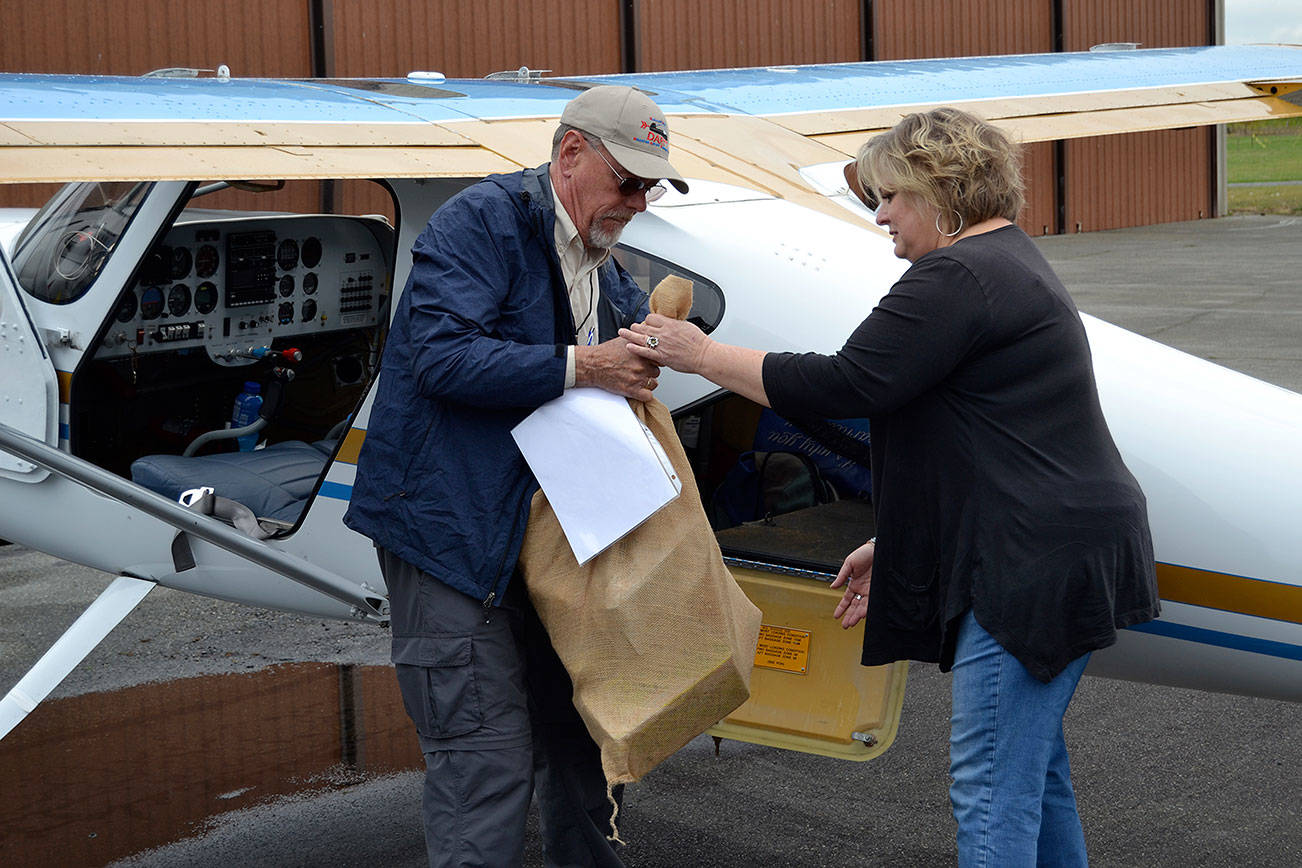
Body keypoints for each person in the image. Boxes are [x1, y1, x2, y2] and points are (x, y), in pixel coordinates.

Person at [621, 107, 1159, 867]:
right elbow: (980, 435)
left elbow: (847, 382)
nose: (880, 216)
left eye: (891, 197)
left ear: (938, 189)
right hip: (1060, 542)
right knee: (1030, 778)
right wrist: (897, 541)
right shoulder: (1007, 259)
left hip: (1028, 561)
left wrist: (702, 354)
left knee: (989, 784)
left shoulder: (956, 275)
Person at [344, 85, 689, 868]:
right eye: (627, 180)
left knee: (587, 738)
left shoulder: (598, 252)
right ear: (569, 154)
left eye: (649, 186)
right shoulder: (482, 221)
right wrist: (588, 365)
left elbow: (617, 341)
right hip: (448, 533)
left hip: (545, 539)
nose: (637, 201)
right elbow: (437, 356)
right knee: (484, 761)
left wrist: (646, 354)